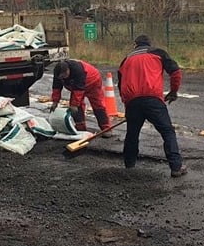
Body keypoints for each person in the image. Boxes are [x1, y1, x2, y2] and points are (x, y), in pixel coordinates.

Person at [117, 35, 187, 177]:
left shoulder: (126, 59)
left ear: (135, 45)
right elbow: (175, 72)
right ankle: (176, 167)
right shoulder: (158, 53)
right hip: (153, 99)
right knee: (167, 132)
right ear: (149, 43)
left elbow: (121, 86)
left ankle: (129, 166)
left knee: (132, 134)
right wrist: (173, 91)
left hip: (132, 102)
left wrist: (127, 108)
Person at [50, 59, 112, 136]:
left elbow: (78, 89)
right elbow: (56, 87)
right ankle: (80, 128)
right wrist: (55, 101)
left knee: (97, 104)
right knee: (76, 106)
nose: (64, 78)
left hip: (92, 82)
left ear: (68, 70)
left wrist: (74, 104)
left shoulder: (78, 70)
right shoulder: (58, 74)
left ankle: (106, 128)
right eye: (61, 77)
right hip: (76, 86)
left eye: (64, 76)